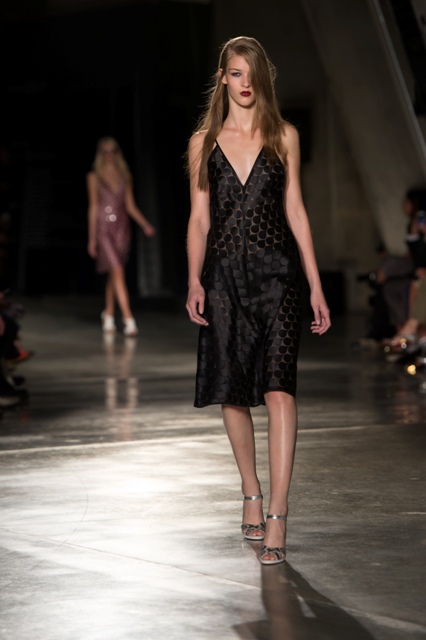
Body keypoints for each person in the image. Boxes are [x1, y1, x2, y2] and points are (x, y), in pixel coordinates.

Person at [185, 36, 330, 565]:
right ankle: (251, 491)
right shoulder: (204, 143)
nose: (245, 83)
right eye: (236, 73)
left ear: (263, 77)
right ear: (223, 78)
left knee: (279, 388)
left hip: (279, 279)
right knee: (233, 393)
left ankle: (278, 513)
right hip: (224, 279)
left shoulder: (283, 136)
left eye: (252, 73)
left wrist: (316, 284)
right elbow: (199, 220)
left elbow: (296, 211)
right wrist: (194, 280)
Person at [87, 137, 155, 337]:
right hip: (103, 227)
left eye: (113, 150)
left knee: (114, 273)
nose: (109, 155)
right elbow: (93, 207)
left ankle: (108, 314)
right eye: (105, 151)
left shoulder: (125, 176)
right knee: (117, 270)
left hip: (122, 228)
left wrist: (145, 224)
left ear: (118, 153)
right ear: (99, 154)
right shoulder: (94, 176)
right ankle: (128, 319)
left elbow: (130, 205)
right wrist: (92, 238)